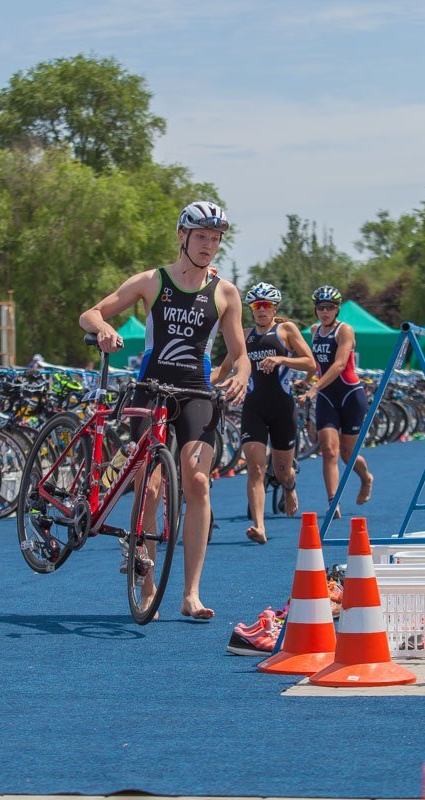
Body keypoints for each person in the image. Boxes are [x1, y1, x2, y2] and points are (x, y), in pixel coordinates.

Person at [80, 200, 249, 620]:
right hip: (151, 391)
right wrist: (103, 328)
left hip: (195, 393)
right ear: (182, 237)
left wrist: (243, 373)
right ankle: (148, 580)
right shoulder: (152, 281)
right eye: (202, 237)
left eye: (216, 239)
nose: (209, 246)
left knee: (197, 483)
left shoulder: (225, 292)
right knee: (150, 488)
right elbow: (91, 313)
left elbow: (240, 354)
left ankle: (191, 593)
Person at [211, 282, 316, 544]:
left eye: (266, 305)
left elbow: (310, 362)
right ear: (251, 309)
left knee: (282, 472)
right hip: (254, 409)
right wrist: (196, 381)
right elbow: (223, 370)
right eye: (257, 306)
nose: (261, 310)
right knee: (255, 469)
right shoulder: (244, 336)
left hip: (283, 409)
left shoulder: (286, 330)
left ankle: (289, 487)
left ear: (274, 308)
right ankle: (259, 526)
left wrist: (282, 359)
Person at [298, 285, 373, 518]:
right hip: (327, 397)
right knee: (329, 451)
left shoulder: (345, 331)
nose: (324, 312)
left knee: (347, 455)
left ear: (337, 309)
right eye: (320, 308)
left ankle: (366, 478)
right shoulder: (314, 330)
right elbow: (319, 364)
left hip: (350, 394)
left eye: (329, 308)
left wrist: (314, 387)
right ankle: (333, 501)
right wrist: (307, 380)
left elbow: (339, 365)